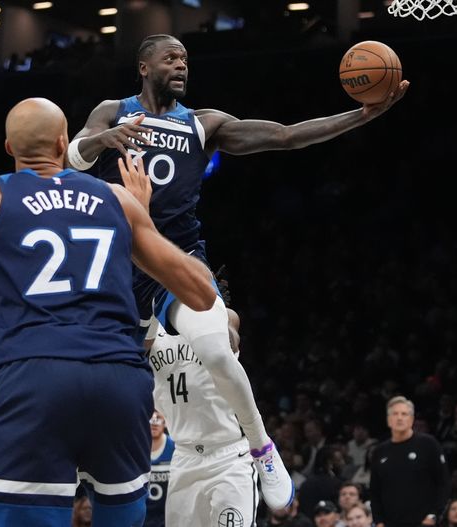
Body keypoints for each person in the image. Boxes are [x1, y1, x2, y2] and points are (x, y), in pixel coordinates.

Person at [71, 33, 409, 511]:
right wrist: (101, 140)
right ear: (144, 67)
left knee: (212, 343)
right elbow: (73, 156)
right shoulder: (113, 111)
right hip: (117, 264)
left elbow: (287, 136)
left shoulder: (204, 125)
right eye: (170, 58)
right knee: (86, 377)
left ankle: (261, 447)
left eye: (186, 59)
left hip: (179, 258)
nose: (181, 65)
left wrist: (362, 115)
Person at [0, 97, 216, 526]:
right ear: (64, 142)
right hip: (120, 381)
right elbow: (202, 293)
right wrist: (142, 224)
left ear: (8, 148)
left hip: (36, 380)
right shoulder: (117, 199)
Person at [148, 308, 264, 526]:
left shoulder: (217, 315)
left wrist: (208, 313)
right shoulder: (153, 323)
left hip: (228, 455)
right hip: (184, 456)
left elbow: (231, 328)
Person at [370, 396, 450, 527]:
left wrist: (434, 515)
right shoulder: (380, 451)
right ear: (388, 420)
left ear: (412, 419)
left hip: (423, 523)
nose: (399, 418)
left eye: (404, 414)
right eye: (395, 414)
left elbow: (443, 483)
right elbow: (375, 491)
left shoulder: (428, 444)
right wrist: (379, 521)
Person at [145, 410, 174, 527]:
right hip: (142, 517)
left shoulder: (175, 447)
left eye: (158, 416)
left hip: (167, 517)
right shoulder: (135, 447)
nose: (154, 420)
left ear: (166, 422)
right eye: (151, 415)